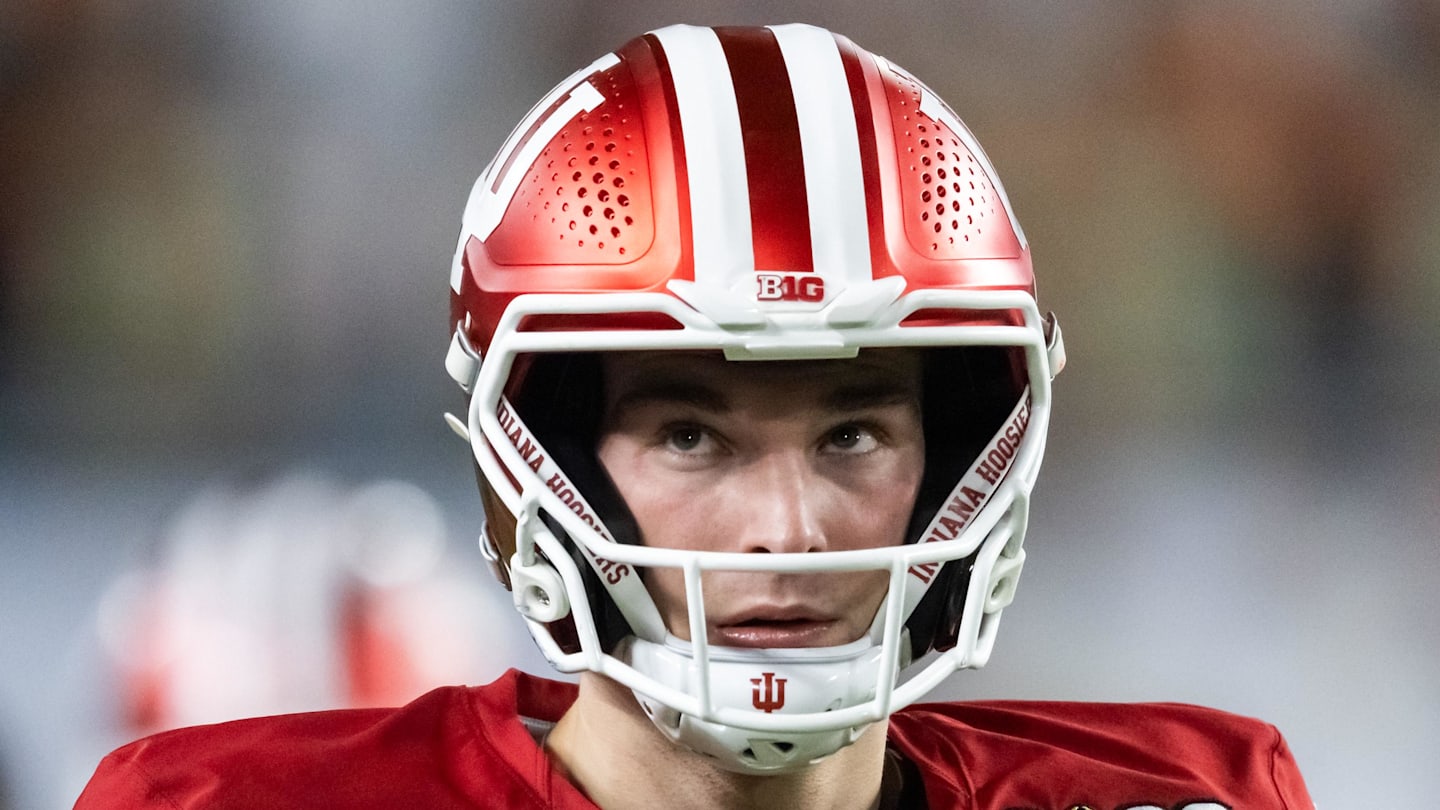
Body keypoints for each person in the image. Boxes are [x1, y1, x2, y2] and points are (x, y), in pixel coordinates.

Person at [76, 23, 1313, 810]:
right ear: (537, 470)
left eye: (853, 434)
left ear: (958, 459)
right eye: (691, 437)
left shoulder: (1191, 793)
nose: (787, 530)